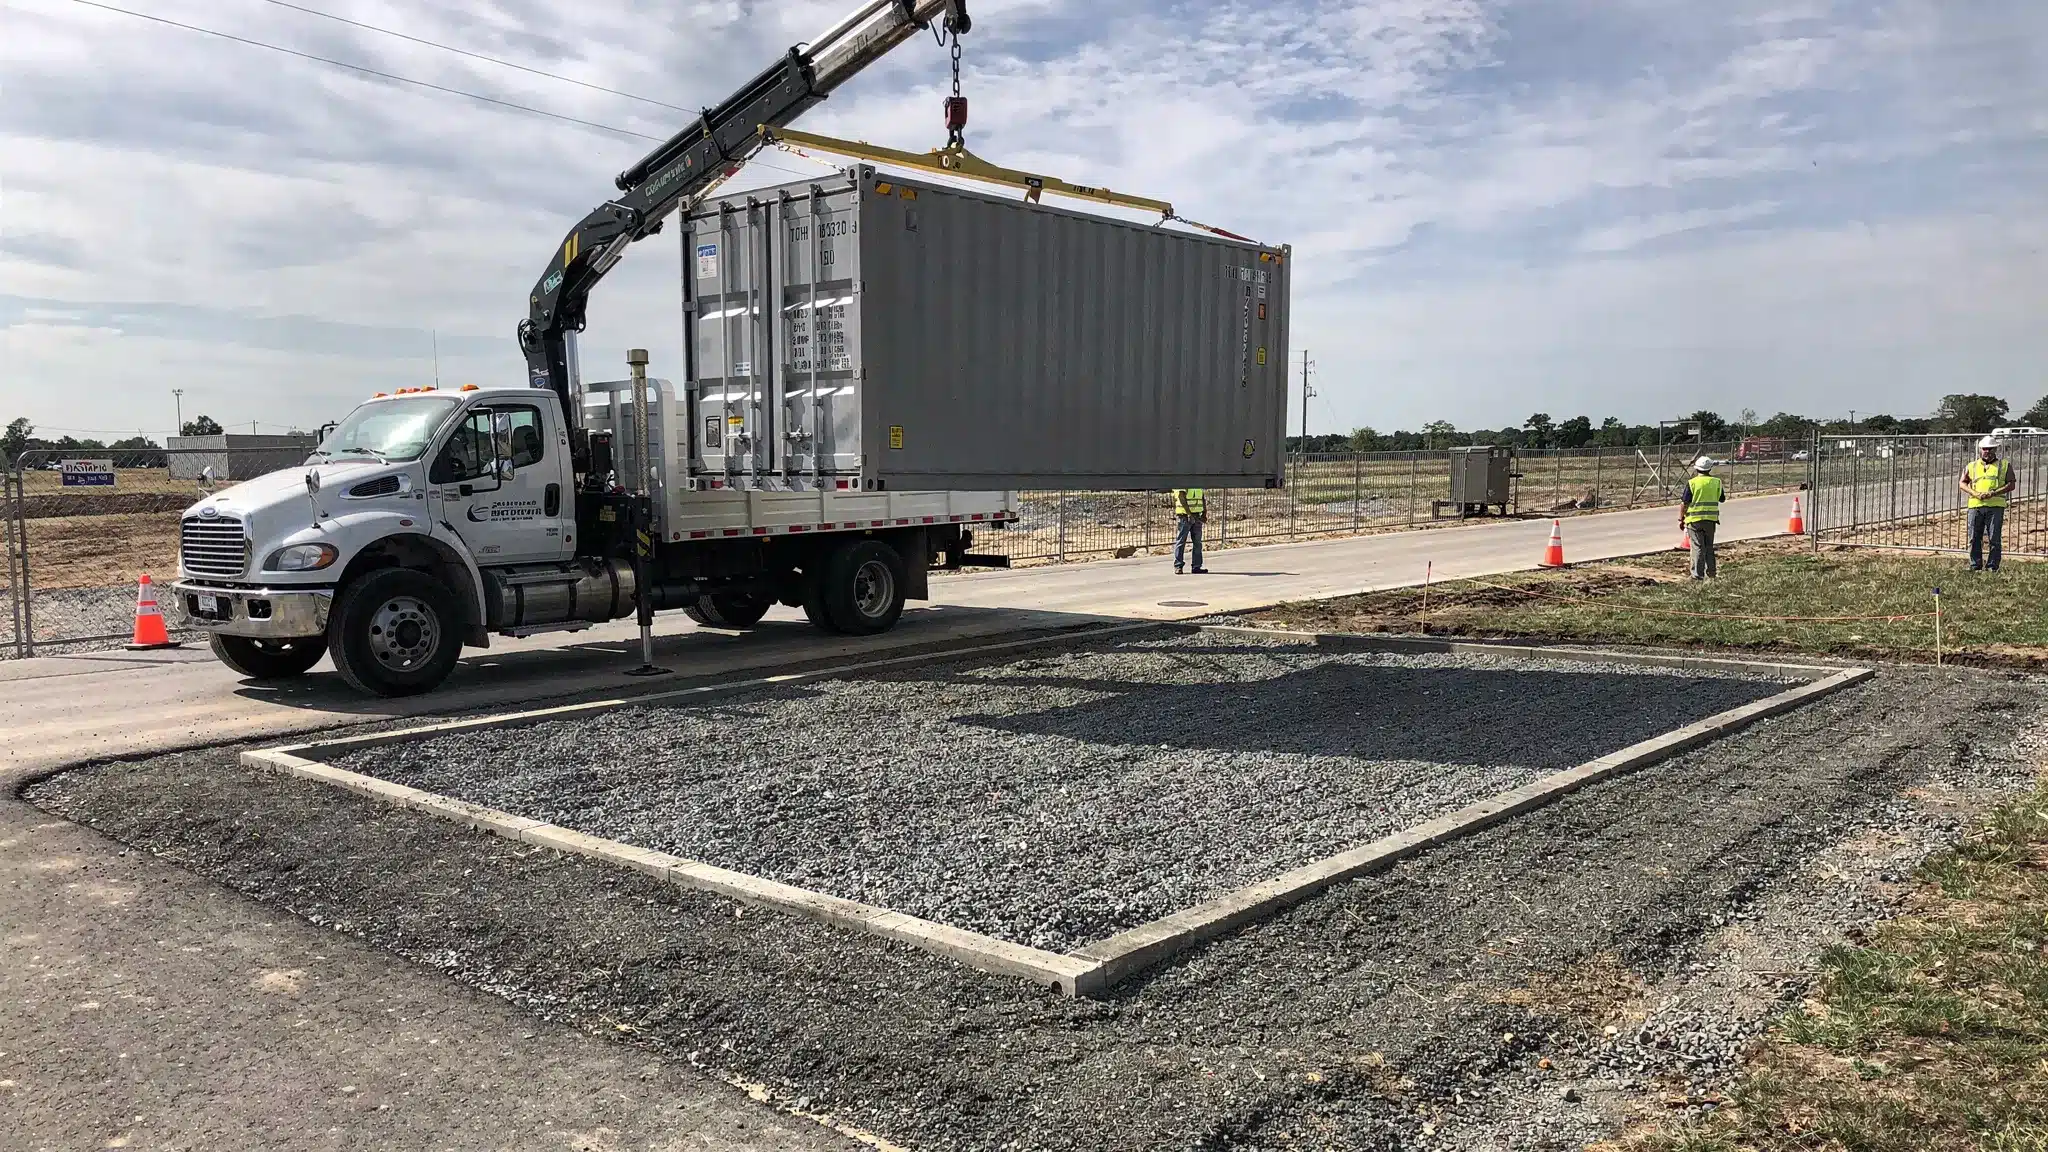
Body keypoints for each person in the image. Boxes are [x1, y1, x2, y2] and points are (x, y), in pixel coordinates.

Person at [1959, 435, 2015, 571]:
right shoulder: (1971, 466)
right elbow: (1962, 483)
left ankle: (1992, 566)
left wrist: (1993, 493)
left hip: (1995, 506)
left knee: (1994, 538)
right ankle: (1975, 565)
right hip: (1975, 505)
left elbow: (2011, 484)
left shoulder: (2004, 465)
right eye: (1985, 449)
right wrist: (1975, 493)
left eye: (1990, 449)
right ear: (1980, 450)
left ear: (1995, 449)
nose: (1987, 451)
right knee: (1973, 537)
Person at [1680, 456, 1724, 580]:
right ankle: (1712, 573)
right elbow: (1722, 498)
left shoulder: (1692, 483)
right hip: (1710, 520)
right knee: (1709, 547)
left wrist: (1681, 519)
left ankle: (1697, 575)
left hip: (1694, 521)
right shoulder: (1717, 482)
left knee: (1698, 547)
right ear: (1710, 469)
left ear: (1697, 469)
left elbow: (1684, 503)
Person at [1172, 487, 1207, 574]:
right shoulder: (1182, 481)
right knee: (1181, 541)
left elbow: (1202, 497)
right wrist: (1189, 514)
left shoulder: (1197, 482)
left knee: (1197, 542)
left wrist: (1204, 512)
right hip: (1184, 516)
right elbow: (1181, 497)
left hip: (1197, 516)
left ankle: (1196, 566)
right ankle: (1178, 566)